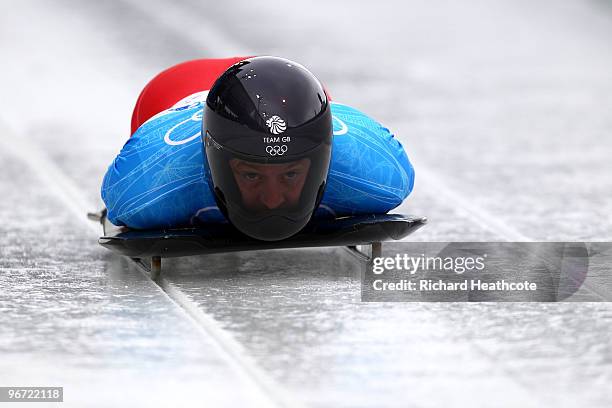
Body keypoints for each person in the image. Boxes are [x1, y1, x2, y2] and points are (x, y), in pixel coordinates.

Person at [101, 56, 415, 241]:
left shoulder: (377, 170)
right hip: (174, 89)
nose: (272, 200)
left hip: (285, 87)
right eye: (251, 176)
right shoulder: (145, 186)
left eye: (290, 174)